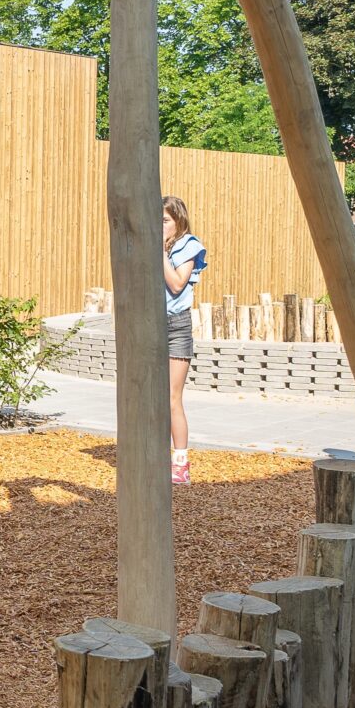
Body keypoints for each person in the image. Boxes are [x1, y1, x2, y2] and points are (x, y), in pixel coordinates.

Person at [161, 196, 207, 489]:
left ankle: (180, 464)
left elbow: (177, 284)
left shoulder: (188, 245)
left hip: (176, 324)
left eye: (164, 220)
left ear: (178, 221)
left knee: (171, 397)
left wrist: (159, 253)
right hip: (150, 324)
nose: (159, 226)